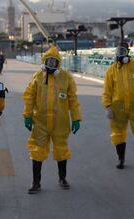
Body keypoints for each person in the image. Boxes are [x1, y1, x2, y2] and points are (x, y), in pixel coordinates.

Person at [23, 45, 81, 194]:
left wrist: (76, 118)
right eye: (48, 61)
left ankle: (62, 178)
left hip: (60, 123)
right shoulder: (37, 77)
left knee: (61, 150)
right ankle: (36, 182)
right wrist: (27, 115)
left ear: (58, 63)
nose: (51, 65)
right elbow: (29, 97)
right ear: (44, 61)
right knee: (37, 151)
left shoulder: (65, 77)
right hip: (40, 122)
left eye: (54, 62)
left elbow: (73, 99)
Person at [102, 42, 134, 171]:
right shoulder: (111, 70)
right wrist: (107, 106)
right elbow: (107, 91)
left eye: (123, 51)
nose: (120, 54)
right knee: (117, 134)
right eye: (118, 51)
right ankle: (121, 159)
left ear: (128, 52)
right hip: (117, 109)